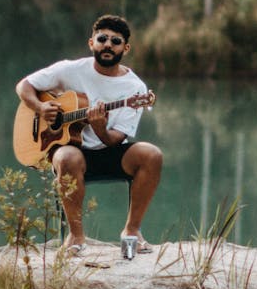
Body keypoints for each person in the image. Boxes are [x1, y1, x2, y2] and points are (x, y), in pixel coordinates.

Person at [15, 14, 162, 256]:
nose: (108, 44)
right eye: (102, 38)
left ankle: (132, 232)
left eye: (115, 41)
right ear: (91, 43)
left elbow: (115, 139)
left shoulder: (135, 89)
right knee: (65, 157)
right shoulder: (70, 70)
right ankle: (76, 236)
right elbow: (24, 86)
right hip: (74, 153)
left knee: (152, 154)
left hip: (111, 151)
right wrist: (41, 108)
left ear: (125, 48)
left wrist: (100, 128)